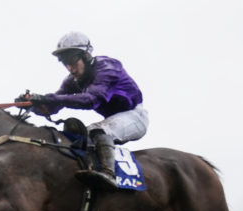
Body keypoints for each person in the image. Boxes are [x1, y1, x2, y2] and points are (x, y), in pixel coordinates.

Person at [19, 31, 148, 190]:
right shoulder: (72, 81)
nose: (70, 68)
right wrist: (33, 105)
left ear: (86, 55)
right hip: (115, 118)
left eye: (72, 61)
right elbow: (53, 107)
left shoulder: (107, 67)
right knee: (78, 136)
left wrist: (47, 98)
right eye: (64, 63)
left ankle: (108, 174)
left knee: (97, 130)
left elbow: (91, 100)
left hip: (135, 116)